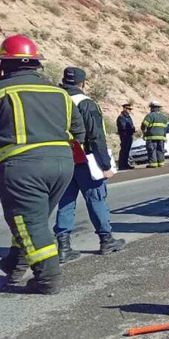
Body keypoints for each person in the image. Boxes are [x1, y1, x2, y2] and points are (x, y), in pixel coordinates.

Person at [0, 35, 85, 294]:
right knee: (31, 219)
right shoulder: (60, 94)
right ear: (36, 64)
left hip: (23, 168)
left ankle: (48, 278)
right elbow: (78, 132)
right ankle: (14, 264)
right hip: (62, 166)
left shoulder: (3, 92)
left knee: (30, 222)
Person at [54, 67, 125, 263]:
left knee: (66, 201)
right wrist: (105, 165)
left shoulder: (55, 100)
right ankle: (106, 240)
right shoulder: (86, 103)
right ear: (83, 83)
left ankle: (64, 246)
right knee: (96, 199)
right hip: (86, 159)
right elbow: (96, 136)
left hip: (62, 159)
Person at [141, 101, 169, 168]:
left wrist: (144, 132)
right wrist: (164, 137)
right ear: (158, 108)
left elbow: (144, 125)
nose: (150, 109)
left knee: (152, 150)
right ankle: (161, 163)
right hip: (161, 138)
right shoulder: (164, 117)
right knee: (160, 150)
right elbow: (165, 128)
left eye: (151, 107)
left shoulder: (150, 116)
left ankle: (153, 164)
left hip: (151, 137)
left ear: (152, 108)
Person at [116, 102, 135, 170]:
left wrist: (133, 129)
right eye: (128, 109)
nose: (129, 110)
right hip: (124, 136)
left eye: (130, 109)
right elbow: (123, 127)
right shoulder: (121, 117)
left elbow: (131, 125)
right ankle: (122, 165)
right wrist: (131, 129)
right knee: (124, 150)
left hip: (129, 135)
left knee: (127, 151)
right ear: (124, 109)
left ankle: (126, 164)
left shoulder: (128, 117)